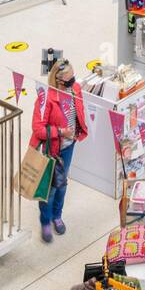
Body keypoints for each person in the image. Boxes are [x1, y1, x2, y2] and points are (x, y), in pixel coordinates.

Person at [30, 57, 88, 243]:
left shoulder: (75, 89)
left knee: (62, 184)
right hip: (51, 149)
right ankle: (45, 221)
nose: (74, 84)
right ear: (58, 80)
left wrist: (78, 131)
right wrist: (61, 131)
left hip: (68, 147)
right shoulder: (45, 98)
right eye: (69, 81)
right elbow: (38, 129)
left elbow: (79, 109)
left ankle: (57, 215)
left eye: (74, 78)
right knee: (49, 188)